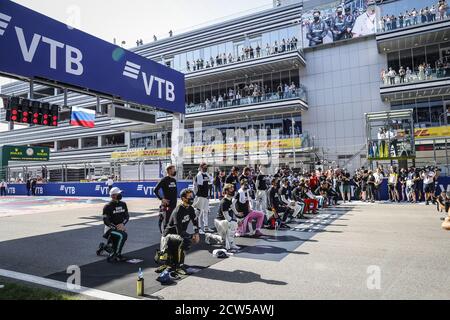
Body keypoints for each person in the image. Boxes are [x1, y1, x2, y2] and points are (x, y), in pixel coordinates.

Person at [158, 189, 200, 274]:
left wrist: (196, 233)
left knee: (184, 238)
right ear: (183, 198)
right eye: (190, 196)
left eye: (192, 196)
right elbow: (179, 231)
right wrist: (192, 236)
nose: (192, 198)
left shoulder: (190, 209)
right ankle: (179, 266)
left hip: (177, 235)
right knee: (185, 240)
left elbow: (195, 221)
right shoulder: (178, 210)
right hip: (168, 236)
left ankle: (177, 263)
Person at [207, 184, 240, 252]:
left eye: (233, 189)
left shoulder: (229, 199)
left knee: (223, 239)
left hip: (224, 220)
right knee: (233, 224)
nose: (233, 190)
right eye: (231, 189)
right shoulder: (224, 202)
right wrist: (235, 221)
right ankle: (231, 244)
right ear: (226, 191)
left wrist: (237, 214)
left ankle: (209, 235)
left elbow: (232, 207)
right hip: (220, 221)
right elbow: (226, 216)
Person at [102, 187, 129, 262]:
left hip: (120, 228)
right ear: (113, 196)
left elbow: (127, 216)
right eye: (118, 193)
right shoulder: (107, 206)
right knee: (123, 235)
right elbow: (105, 221)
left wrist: (122, 224)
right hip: (109, 229)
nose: (120, 195)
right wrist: (116, 227)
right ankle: (117, 255)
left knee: (120, 237)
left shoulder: (123, 204)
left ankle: (104, 247)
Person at [154, 165, 178, 233]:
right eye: (173, 169)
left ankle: (170, 235)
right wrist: (162, 199)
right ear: (169, 170)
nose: (175, 171)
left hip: (174, 204)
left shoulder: (174, 180)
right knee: (166, 220)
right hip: (167, 205)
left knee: (172, 220)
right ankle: (164, 235)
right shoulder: (164, 179)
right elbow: (155, 190)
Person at [193, 162, 212, 233]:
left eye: (206, 167)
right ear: (201, 167)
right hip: (200, 196)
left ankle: (206, 227)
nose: (206, 168)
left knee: (206, 211)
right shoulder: (199, 175)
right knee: (199, 213)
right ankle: (199, 228)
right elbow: (198, 187)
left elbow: (211, 180)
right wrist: (198, 195)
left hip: (206, 196)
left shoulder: (206, 174)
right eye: (204, 167)